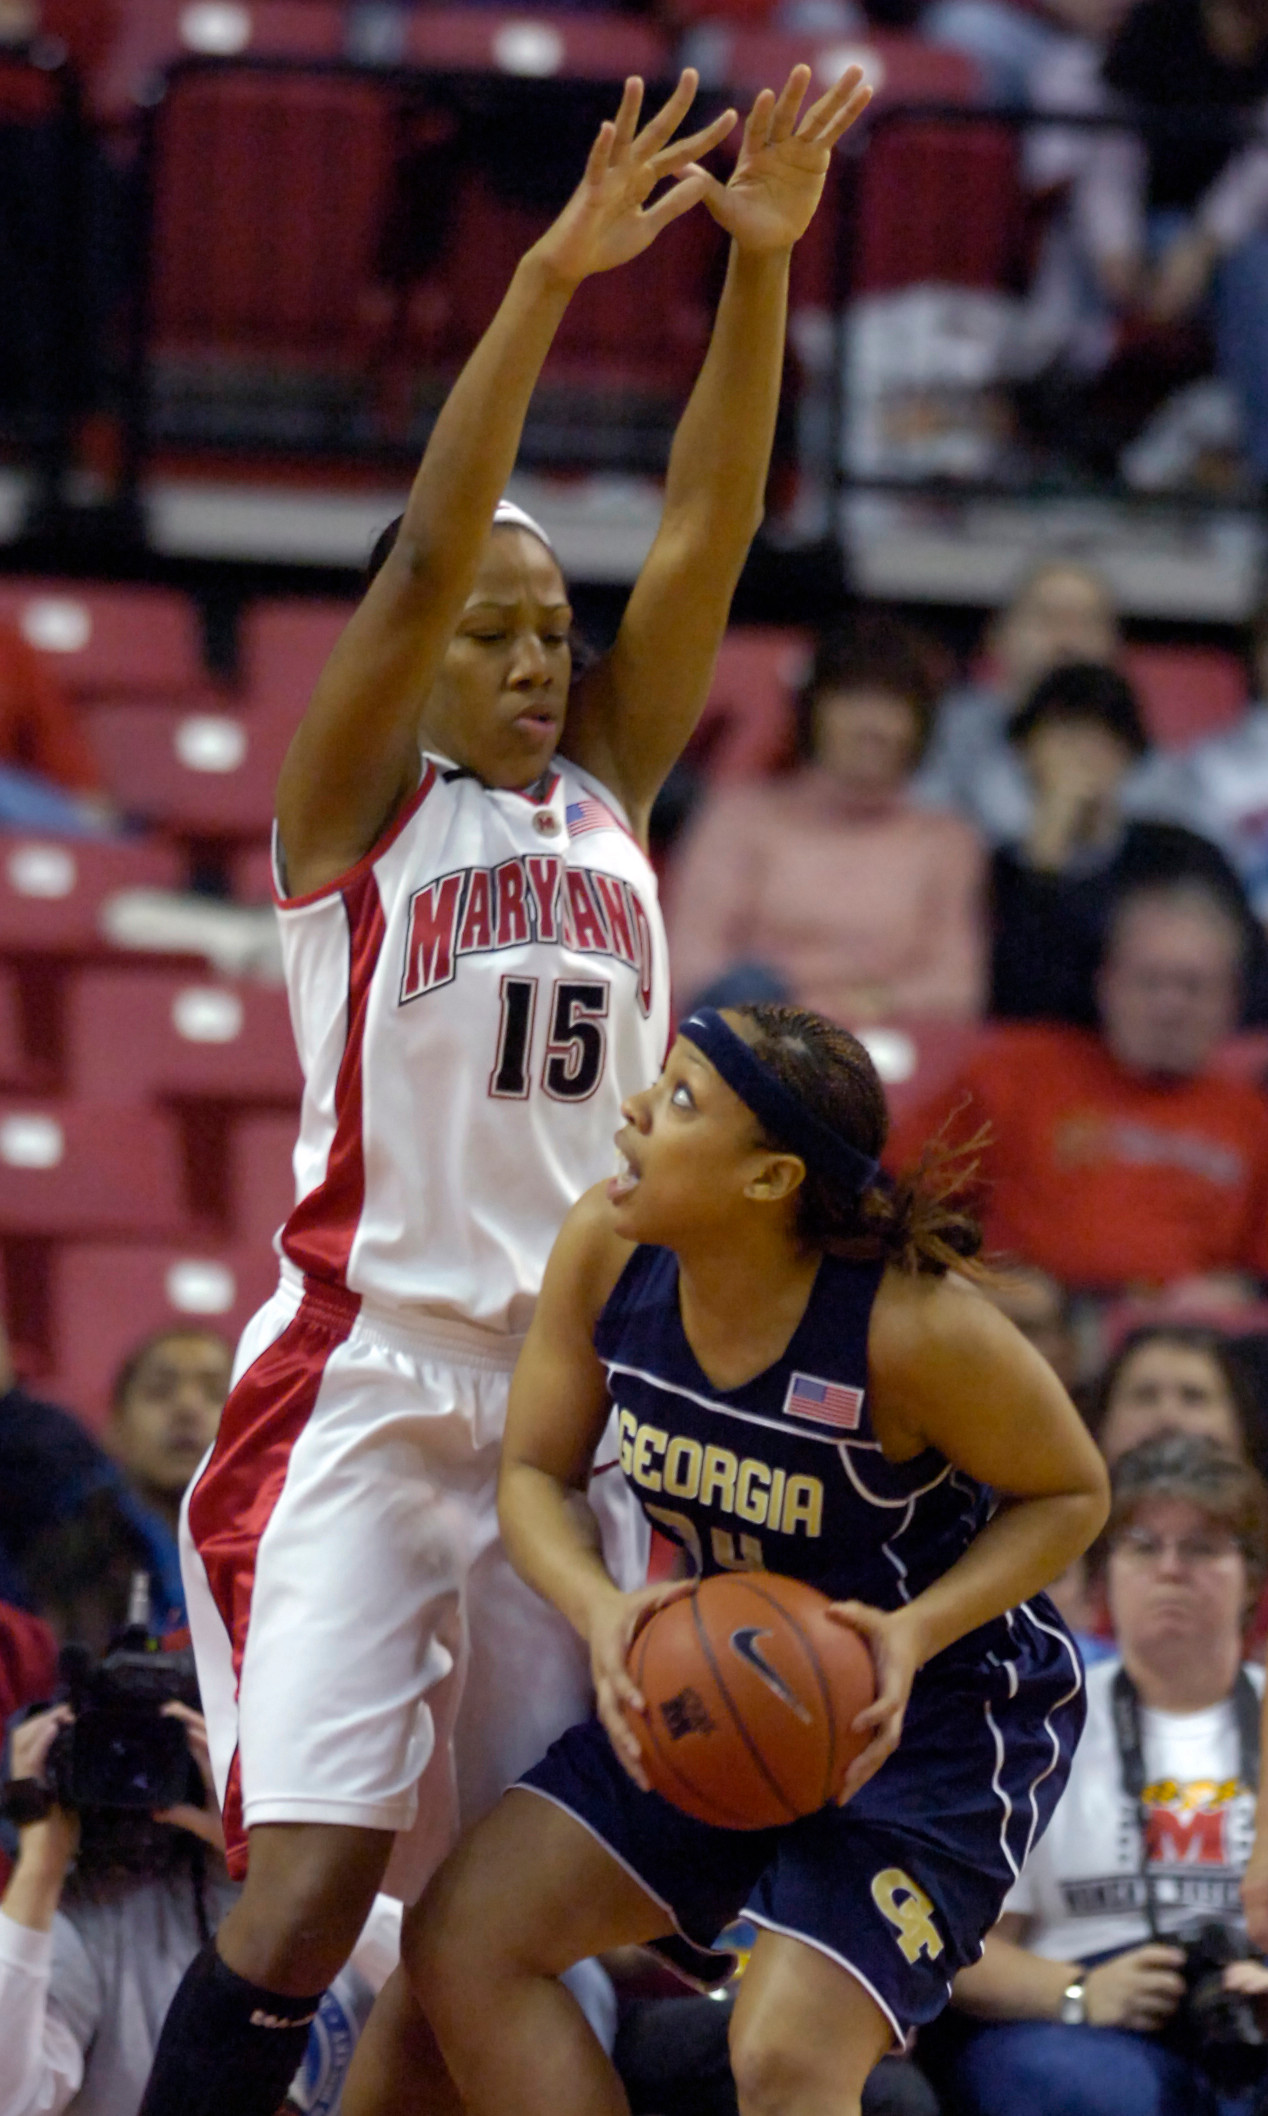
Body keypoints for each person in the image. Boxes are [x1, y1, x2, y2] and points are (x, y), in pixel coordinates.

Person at [139, 61, 875, 2116]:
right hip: (368, 1385)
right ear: (425, 653)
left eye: (556, 630)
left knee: (495, 1925)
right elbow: (418, 557)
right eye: (500, 631)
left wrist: (759, 274)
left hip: (579, 1406)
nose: (542, 655)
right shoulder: (358, 812)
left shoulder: (613, 793)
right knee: (307, 1894)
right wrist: (550, 279)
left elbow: (713, 522)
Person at [358, 1001, 1109, 2116]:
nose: (631, 1113)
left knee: (785, 2058)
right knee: (463, 1936)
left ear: (765, 1180)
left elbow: (1071, 1492)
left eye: (677, 1102)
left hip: (935, 1713)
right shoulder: (607, 1251)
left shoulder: (910, 1328)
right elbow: (535, 1475)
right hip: (733, 1677)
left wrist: (910, 1632)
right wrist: (605, 1610)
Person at [946, 1433, 1268, 2116]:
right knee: (1096, 2092)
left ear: (1252, 1582)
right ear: (1103, 1578)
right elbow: (956, 1948)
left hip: (1251, 2003)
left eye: (1204, 1548)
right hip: (1087, 2012)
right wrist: (1075, 1993)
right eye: (1145, 1546)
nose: (1172, 1569)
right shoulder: (1036, 1725)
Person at [0, 1699, 400, 2115]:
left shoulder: (351, 1873)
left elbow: (451, 2011)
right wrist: (40, 1863)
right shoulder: (95, 1916)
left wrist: (274, 1862)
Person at [889, 877, 1268, 1295]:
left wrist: (1239, 1292)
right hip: (1018, 1314)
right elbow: (895, 1192)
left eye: (1193, 987)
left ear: (1233, 1002)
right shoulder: (1015, 1072)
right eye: (1149, 981)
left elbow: (1258, 1270)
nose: (1170, 1006)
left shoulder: (1253, 1119)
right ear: (1106, 985)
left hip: (1177, 1337)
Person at [664, 615, 987, 1024]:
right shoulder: (738, 817)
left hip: (894, 1054)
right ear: (812, 712)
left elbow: (955, 986)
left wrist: (845, 1011)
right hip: (751, 1046)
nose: (873, 725)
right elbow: (691, 965)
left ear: (921, 726)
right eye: (852, 700)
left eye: (894, 705)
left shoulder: (948, 839)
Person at [990, 662, 1268, 1026]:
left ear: (1130, 756)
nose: (1084, 755)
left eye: (1104, 739)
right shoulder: (997, 870)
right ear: (1024, 750)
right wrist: (1043, 863)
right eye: (1065, 735)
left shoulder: (1182, 855)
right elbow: (1014, 1000)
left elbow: (1253, 980)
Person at [911, 557, 1126, 845]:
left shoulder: (1136, 744)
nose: (1066, 640)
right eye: (1046, 618)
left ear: (1114, 646)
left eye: (1086, 623)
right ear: (997, 637)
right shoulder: (944, 729)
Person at [104, 1329, 232, 1631]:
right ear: (116, 1426)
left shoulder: (287, 1549)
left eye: (215, 1393)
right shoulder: (69, 1551)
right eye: (159, 1391)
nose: (187, 1409)